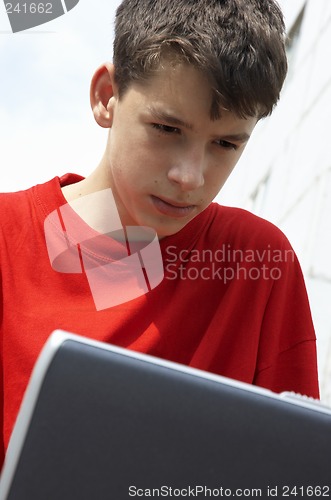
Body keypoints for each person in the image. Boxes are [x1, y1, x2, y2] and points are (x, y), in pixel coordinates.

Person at [0, 0, 319, 468]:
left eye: (226, 144)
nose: (190, 176)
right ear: (107, 95)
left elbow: (295, 473)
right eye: (167, 128)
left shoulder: (258, 263)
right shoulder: (9, 239)